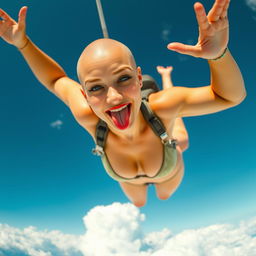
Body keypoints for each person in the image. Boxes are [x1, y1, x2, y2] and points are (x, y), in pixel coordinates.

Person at [0, 0, 246, 207]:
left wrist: (218, 55)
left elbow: (230, 96)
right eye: (96, 87)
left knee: (168, 179)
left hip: (168, 167)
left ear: (139, 79)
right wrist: (23, 44)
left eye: (124, 78)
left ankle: (166, 80)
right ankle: (169, 110)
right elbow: (56, 80)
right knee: (139, 203)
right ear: (84, 95)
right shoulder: (87, 114)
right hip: (128, 179)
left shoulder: (162, 106)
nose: (114, 97)